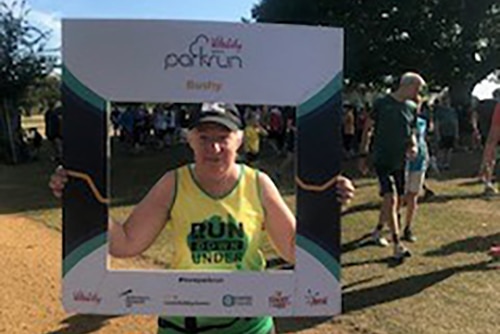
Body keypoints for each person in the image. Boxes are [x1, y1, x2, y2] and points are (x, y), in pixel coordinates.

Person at [49, 102, 355, 334]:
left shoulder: (258, 184)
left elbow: (292, 249)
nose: (214, 147)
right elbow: (126, 243)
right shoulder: (174, 182)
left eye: (223, 136)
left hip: (247, 326)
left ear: (239, 138)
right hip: (184, 324)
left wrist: (327, 208)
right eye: (204, 136)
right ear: (190, 139)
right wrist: (82, 199)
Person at [360, 72, 425, 261]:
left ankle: (378, 231)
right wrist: (363, 154)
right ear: (409, 85)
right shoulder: (382, 103)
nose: (419, 92)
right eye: (418, 88)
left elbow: (411, 131)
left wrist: (412, 145)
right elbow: (368, 129)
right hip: (382, 159)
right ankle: (397, 244)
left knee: (397, 201)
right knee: (390, 197)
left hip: (400, 161)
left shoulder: (412, 107)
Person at [402, 103, 430, 242]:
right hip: (403, 162)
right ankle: (393, 223)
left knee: (413, 195)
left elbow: (423, 140)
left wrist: (426, 157)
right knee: (401, 196)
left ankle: (408, 228)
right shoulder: (402, 121)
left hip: (419, 162)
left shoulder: (422, 122)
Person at [474, 88, 500, 196]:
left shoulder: (483, 105)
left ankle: (487, 181)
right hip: (492, 131)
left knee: (491, 156)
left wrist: (475, 129)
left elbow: (474, 115)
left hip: (487, 131)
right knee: (492, 156)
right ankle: (487, 180)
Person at [433, 94, 459, 170]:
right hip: (443, 132)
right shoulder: (440, 110)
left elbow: (455, 122)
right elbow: (437, 123)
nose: (446, 102)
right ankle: (440, 163)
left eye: (447, 100)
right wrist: (437, 134)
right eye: (444, 100)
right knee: (442, 149)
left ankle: (447, 163)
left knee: (449, 149)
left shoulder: (452, 110)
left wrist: (456, 133)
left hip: (451, 132)